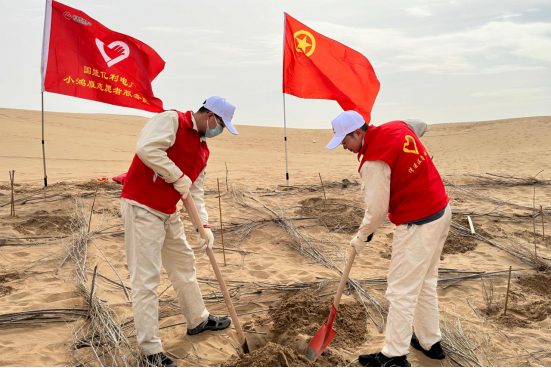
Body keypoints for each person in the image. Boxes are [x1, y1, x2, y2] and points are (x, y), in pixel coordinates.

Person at [326, 111, 451, 368]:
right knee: (425, 281)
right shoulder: (396, 126)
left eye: (345, 141)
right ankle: (429, 342)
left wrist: (362, 237)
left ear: (358, 133)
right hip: (441, 210)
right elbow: (421, 125)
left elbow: (377, 210)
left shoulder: (373, 162)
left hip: (418, 222)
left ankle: (394, 356)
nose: (344, 147)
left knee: (400, 290)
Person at [120, 96, 238, 367]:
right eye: (220, 125)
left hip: (168, 212)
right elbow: (147, 149)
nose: (219, 132)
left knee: (184, 264)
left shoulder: (203, 150)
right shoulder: (172, 120)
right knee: (146, 280)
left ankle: (198, 319)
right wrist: (176, 175)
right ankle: (151, 351)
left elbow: (195, 192)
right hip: (141, 208)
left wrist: (204, 226)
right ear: (210, 117)